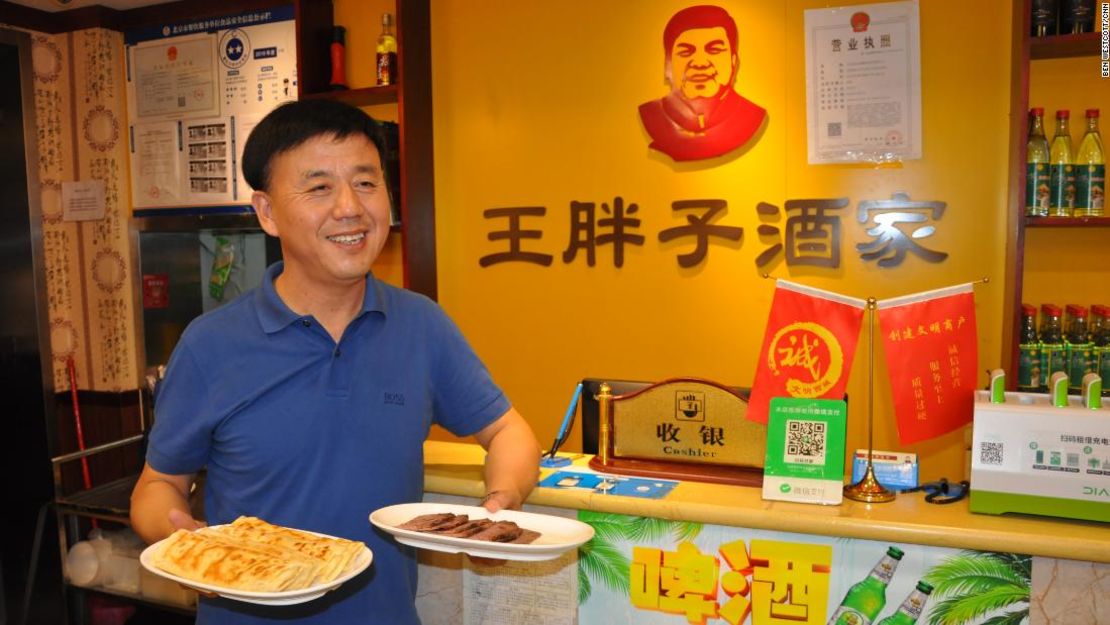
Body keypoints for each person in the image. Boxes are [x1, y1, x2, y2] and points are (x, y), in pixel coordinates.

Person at [130, 99, 541, 624]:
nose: (350, 206)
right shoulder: (211, 344)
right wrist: (181, 540)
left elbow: (509, 431)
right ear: (268, 212)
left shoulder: (422, 325)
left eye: (366, 183)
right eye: (319, 186)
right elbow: (158, 485)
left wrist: (499, 505)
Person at [638, 5, 767, 162]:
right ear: (668, 64)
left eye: (714, 50)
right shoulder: (652, 114)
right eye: (686, 52)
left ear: (733, 61)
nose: (700, 63)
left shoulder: (750, 116)